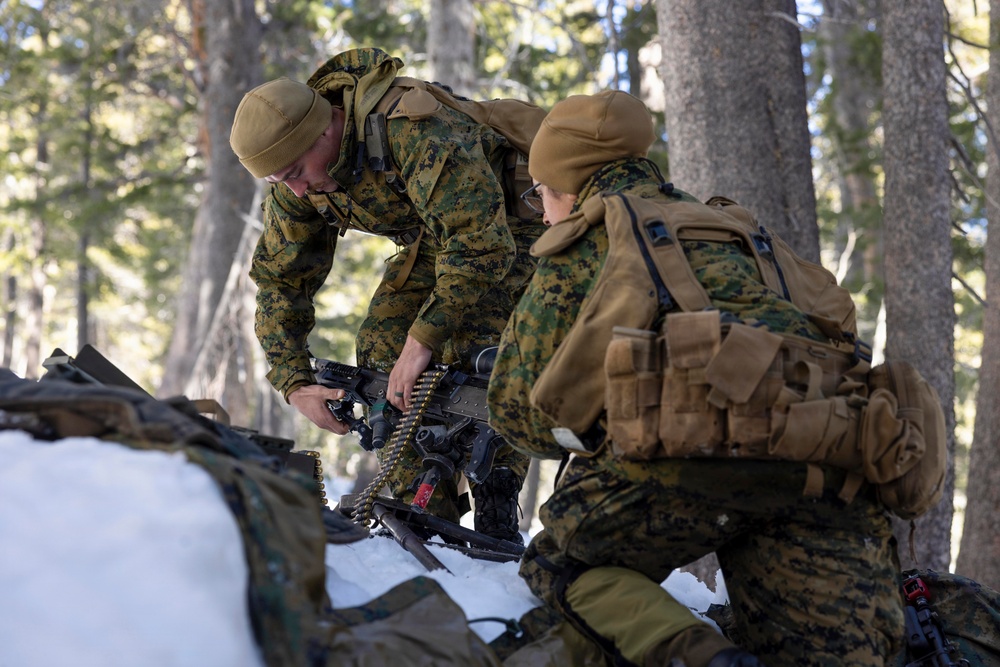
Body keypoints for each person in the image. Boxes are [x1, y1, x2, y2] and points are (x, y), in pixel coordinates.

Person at [487, 90, 905, 666]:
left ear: (565, 185)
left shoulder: (593, 236)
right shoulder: (741, 231)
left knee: (563, 562)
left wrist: (598, 421)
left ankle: (703, 658)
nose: (542, 209)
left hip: (697, 460)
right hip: (830, 461)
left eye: (540, 197)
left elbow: (518, 412)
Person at [229, 47, 545, 543]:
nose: (293, 192)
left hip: (517, 227)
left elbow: (481, 247)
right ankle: (426, 512)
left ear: (326, 127)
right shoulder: (297, 179)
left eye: (293, 174)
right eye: (277, 181)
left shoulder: (410, 127)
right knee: (380, 353)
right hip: (436, 238)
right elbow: (281, 279)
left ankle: (497, 498)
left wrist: (422, 341)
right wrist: (293, 381)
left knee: (479, 350)